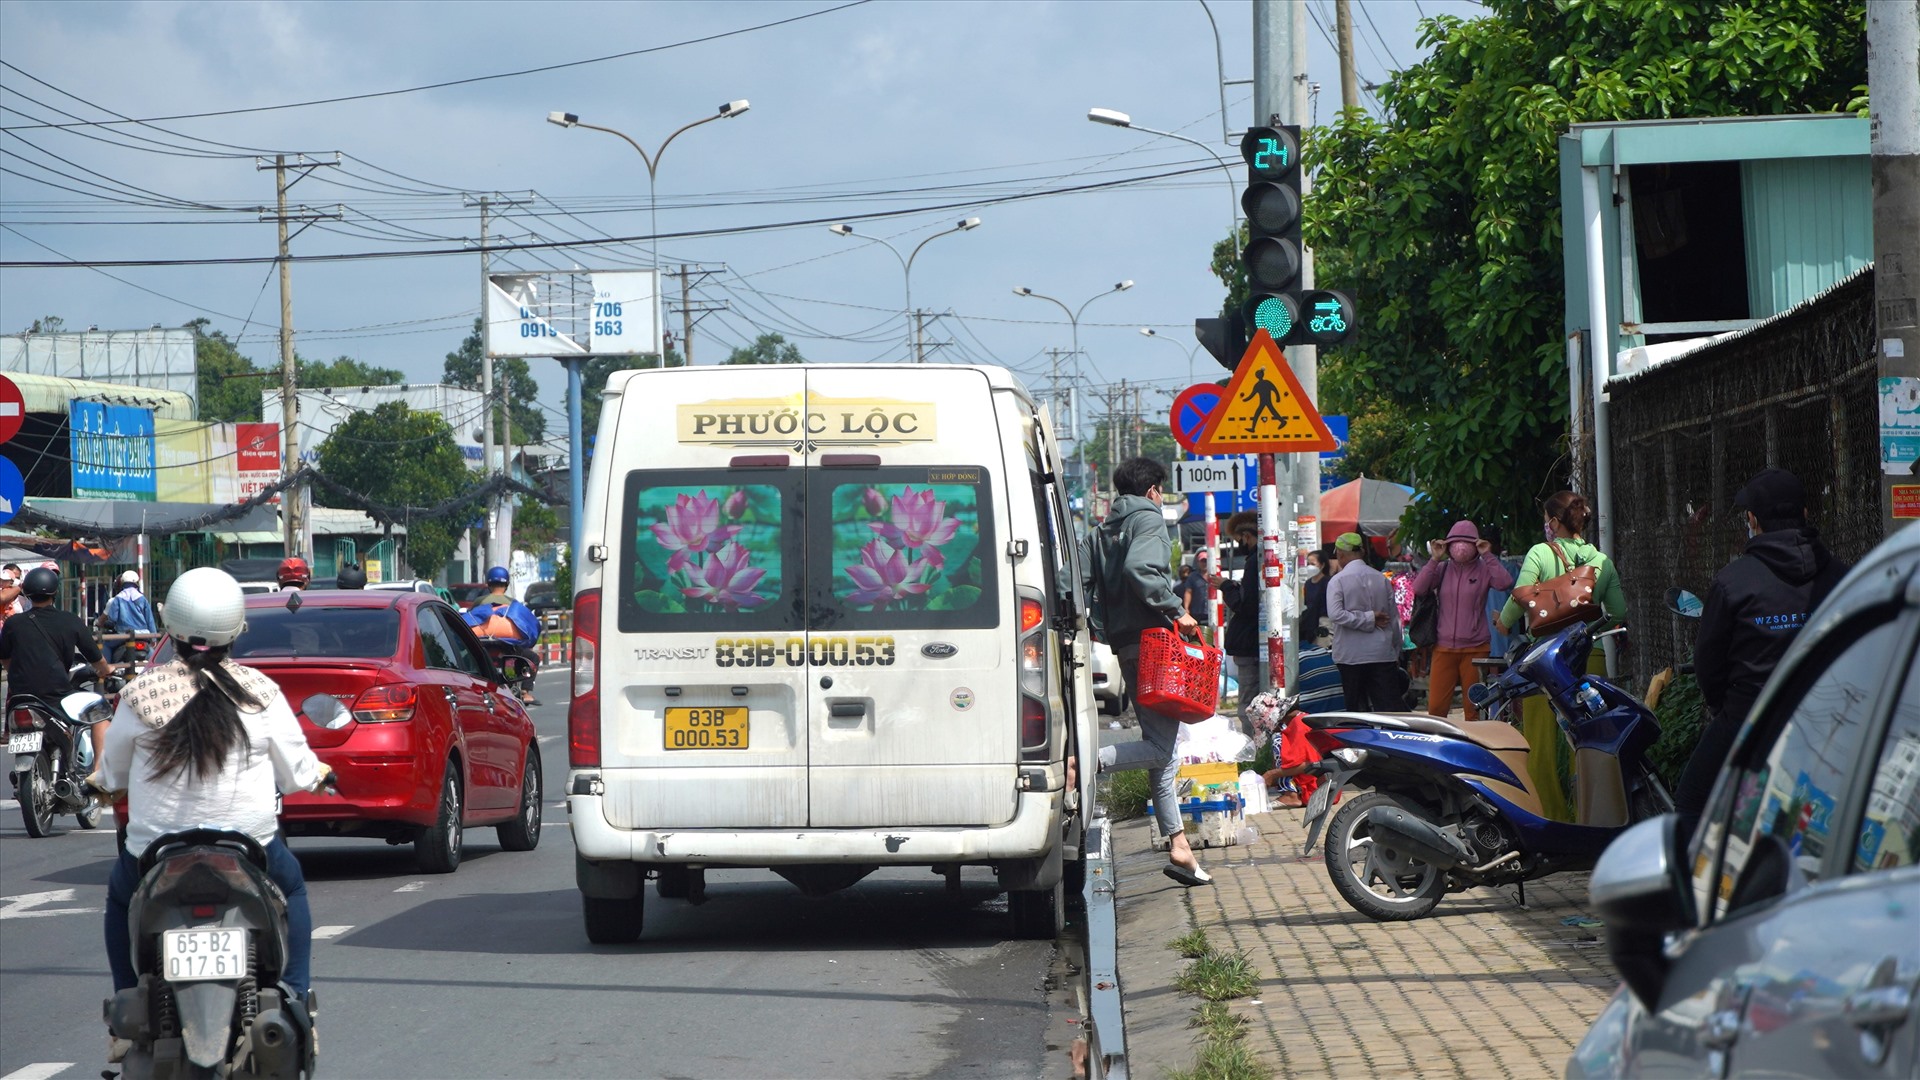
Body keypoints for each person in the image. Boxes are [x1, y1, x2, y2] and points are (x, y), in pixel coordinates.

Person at [99, 567, 331, 1029]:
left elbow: (113, 773)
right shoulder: (260, 691)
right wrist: (321, 775)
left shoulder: (141, 693)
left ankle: (126, 1003)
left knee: (119, 901)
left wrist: (104, 782)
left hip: (153, 851)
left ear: (170, 626)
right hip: (251, 848)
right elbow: (299, 772)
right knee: (295, 888)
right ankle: (297, 995)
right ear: (237, 628)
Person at [1674, 468, 1849, 836]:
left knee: (1691, 803)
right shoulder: (1842, 577)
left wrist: (1728, 706)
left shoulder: (1733, 581)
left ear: (1752, 520)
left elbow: (1709, 665)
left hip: (1748, 719)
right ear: (1805, 514)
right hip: (1828, 722)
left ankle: (1693, 890)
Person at [1087, 458, 1211, 888]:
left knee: (1164, 749)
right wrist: (1179, 610)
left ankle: (1180, 847)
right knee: (1160, 749)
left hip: (1124, 643)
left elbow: (1076, 583)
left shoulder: (1100, 532)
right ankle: (1086, 764)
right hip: (1155, 645)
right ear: (1154, 490)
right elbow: (1141, 570)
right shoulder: (1149, 520)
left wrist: (1100, 624)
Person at [1496, 491, 1629, 822]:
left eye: (1547, 519)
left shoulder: (1540, 552)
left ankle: (1547, 817)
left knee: (1539, 741)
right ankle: (1590, 817)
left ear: (1554, 523)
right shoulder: (1601, 561)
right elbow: (1619, 611)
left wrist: (1503, 622)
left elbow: (1521, 595)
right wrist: (1588, 621)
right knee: (1589, 739)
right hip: (1589, 654)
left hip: (1543, 659)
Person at [0, 565, 115, 759]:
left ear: (26, 592)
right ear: (55, 592)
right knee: (100, 710)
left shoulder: (13, 623)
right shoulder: (71, 621)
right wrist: (106, 670)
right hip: (57, 697)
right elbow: (97, 659)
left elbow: (5, 659)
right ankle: (98, 773)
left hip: (19, 698)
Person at [1412, 520, 1513, 720]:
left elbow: (1505, 583)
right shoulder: (1441, 569)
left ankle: (1474, 748)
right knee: (1436, 709)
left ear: (1475, 545)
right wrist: (1434, 559)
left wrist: (1487, 554)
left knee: (1474, 710)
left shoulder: (1484, 568)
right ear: (1448, 545)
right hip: (1443, 647)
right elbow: (1419, 588)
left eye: (1466, 542)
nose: (1461, 547)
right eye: (1455, 542)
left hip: (1476, 649)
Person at [1324, 532, 1404, 711]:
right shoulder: (1381, 579)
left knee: (1356, 711)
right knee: (1389, 712)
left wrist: (1367, 618)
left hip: (1350, 656)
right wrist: (1395, 651)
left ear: (1341, 554)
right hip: (1382, 654)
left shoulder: (1337, 581)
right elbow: (1395, 619)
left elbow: (1336, 615)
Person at [1211, 511, 1263, 719]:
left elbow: (1246, 605)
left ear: (1247, 537)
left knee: (1249, 705)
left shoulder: (1254, 562)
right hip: (1255, 644)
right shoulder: (1261, 558)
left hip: (1249, 644)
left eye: (1238, 540)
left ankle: (1255, 748)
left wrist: (1226, 587)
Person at [464, 566, 541, 705]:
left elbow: (470, 620)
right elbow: (528, 626)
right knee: (533, 658)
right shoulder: (513, 603)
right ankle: (525, 692)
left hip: (481, 646)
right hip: (508, 646)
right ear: (506, 584)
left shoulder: (479, 601)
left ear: (488, 584)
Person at [99, 570, 158, 663]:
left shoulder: (118, 599)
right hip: (143, 635)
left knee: (106, 645)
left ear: (122, 583)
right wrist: (154, 638)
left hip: (123, 635)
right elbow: (150, 620)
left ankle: (106, 670)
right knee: (153, 655)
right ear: (136, 583)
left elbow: (112, 619)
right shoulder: (142, 599)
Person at [1299, 547, 1331, 648]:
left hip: (1324, 621)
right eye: (1308, 564)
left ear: (1322, 565)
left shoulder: (1328, 582)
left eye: (1313, 564)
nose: (1309, 567)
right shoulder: (1308, 583)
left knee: (1322, 646)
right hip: (1310, 622)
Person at [1175, 553, 1213, 630]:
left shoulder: (1214, 574)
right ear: (1198, 562)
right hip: (1197, 612)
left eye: (1206, 561)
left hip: (1212, 611)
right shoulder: (1192, 577)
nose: (1204, 563)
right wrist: (1186, 608)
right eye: (1202, 561)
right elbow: (1188, 592)